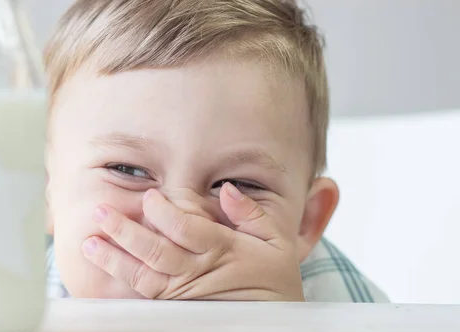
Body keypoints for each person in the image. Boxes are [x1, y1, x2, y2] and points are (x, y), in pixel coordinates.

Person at [44, 0, 388, 302]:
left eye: (236, 185)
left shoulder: (339, 305)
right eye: (127, 170)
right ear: (43, 190)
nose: (179, 221)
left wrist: (284, 330)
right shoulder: (8, 301)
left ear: (305, 222)